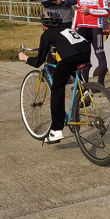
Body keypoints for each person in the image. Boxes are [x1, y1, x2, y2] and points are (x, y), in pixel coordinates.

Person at [18, 10, 91, 144]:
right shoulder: (66, 30)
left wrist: (25, 58)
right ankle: (85, 90)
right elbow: (68, 44)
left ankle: (56, 130)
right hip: (86, 51)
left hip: (70, 55)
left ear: (44, 25)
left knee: (57, 88)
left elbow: (38, 62)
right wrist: (57, 52)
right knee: (71, 67)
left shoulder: (46, 34)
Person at [73, 0, 110, 85]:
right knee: (84, 57)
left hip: (95, 28)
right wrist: (74, 26)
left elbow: (106, 12)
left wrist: (90, 11)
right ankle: (84, 84)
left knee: (100, 55)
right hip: (82, 28)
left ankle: (100, 84)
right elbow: (78, 11)